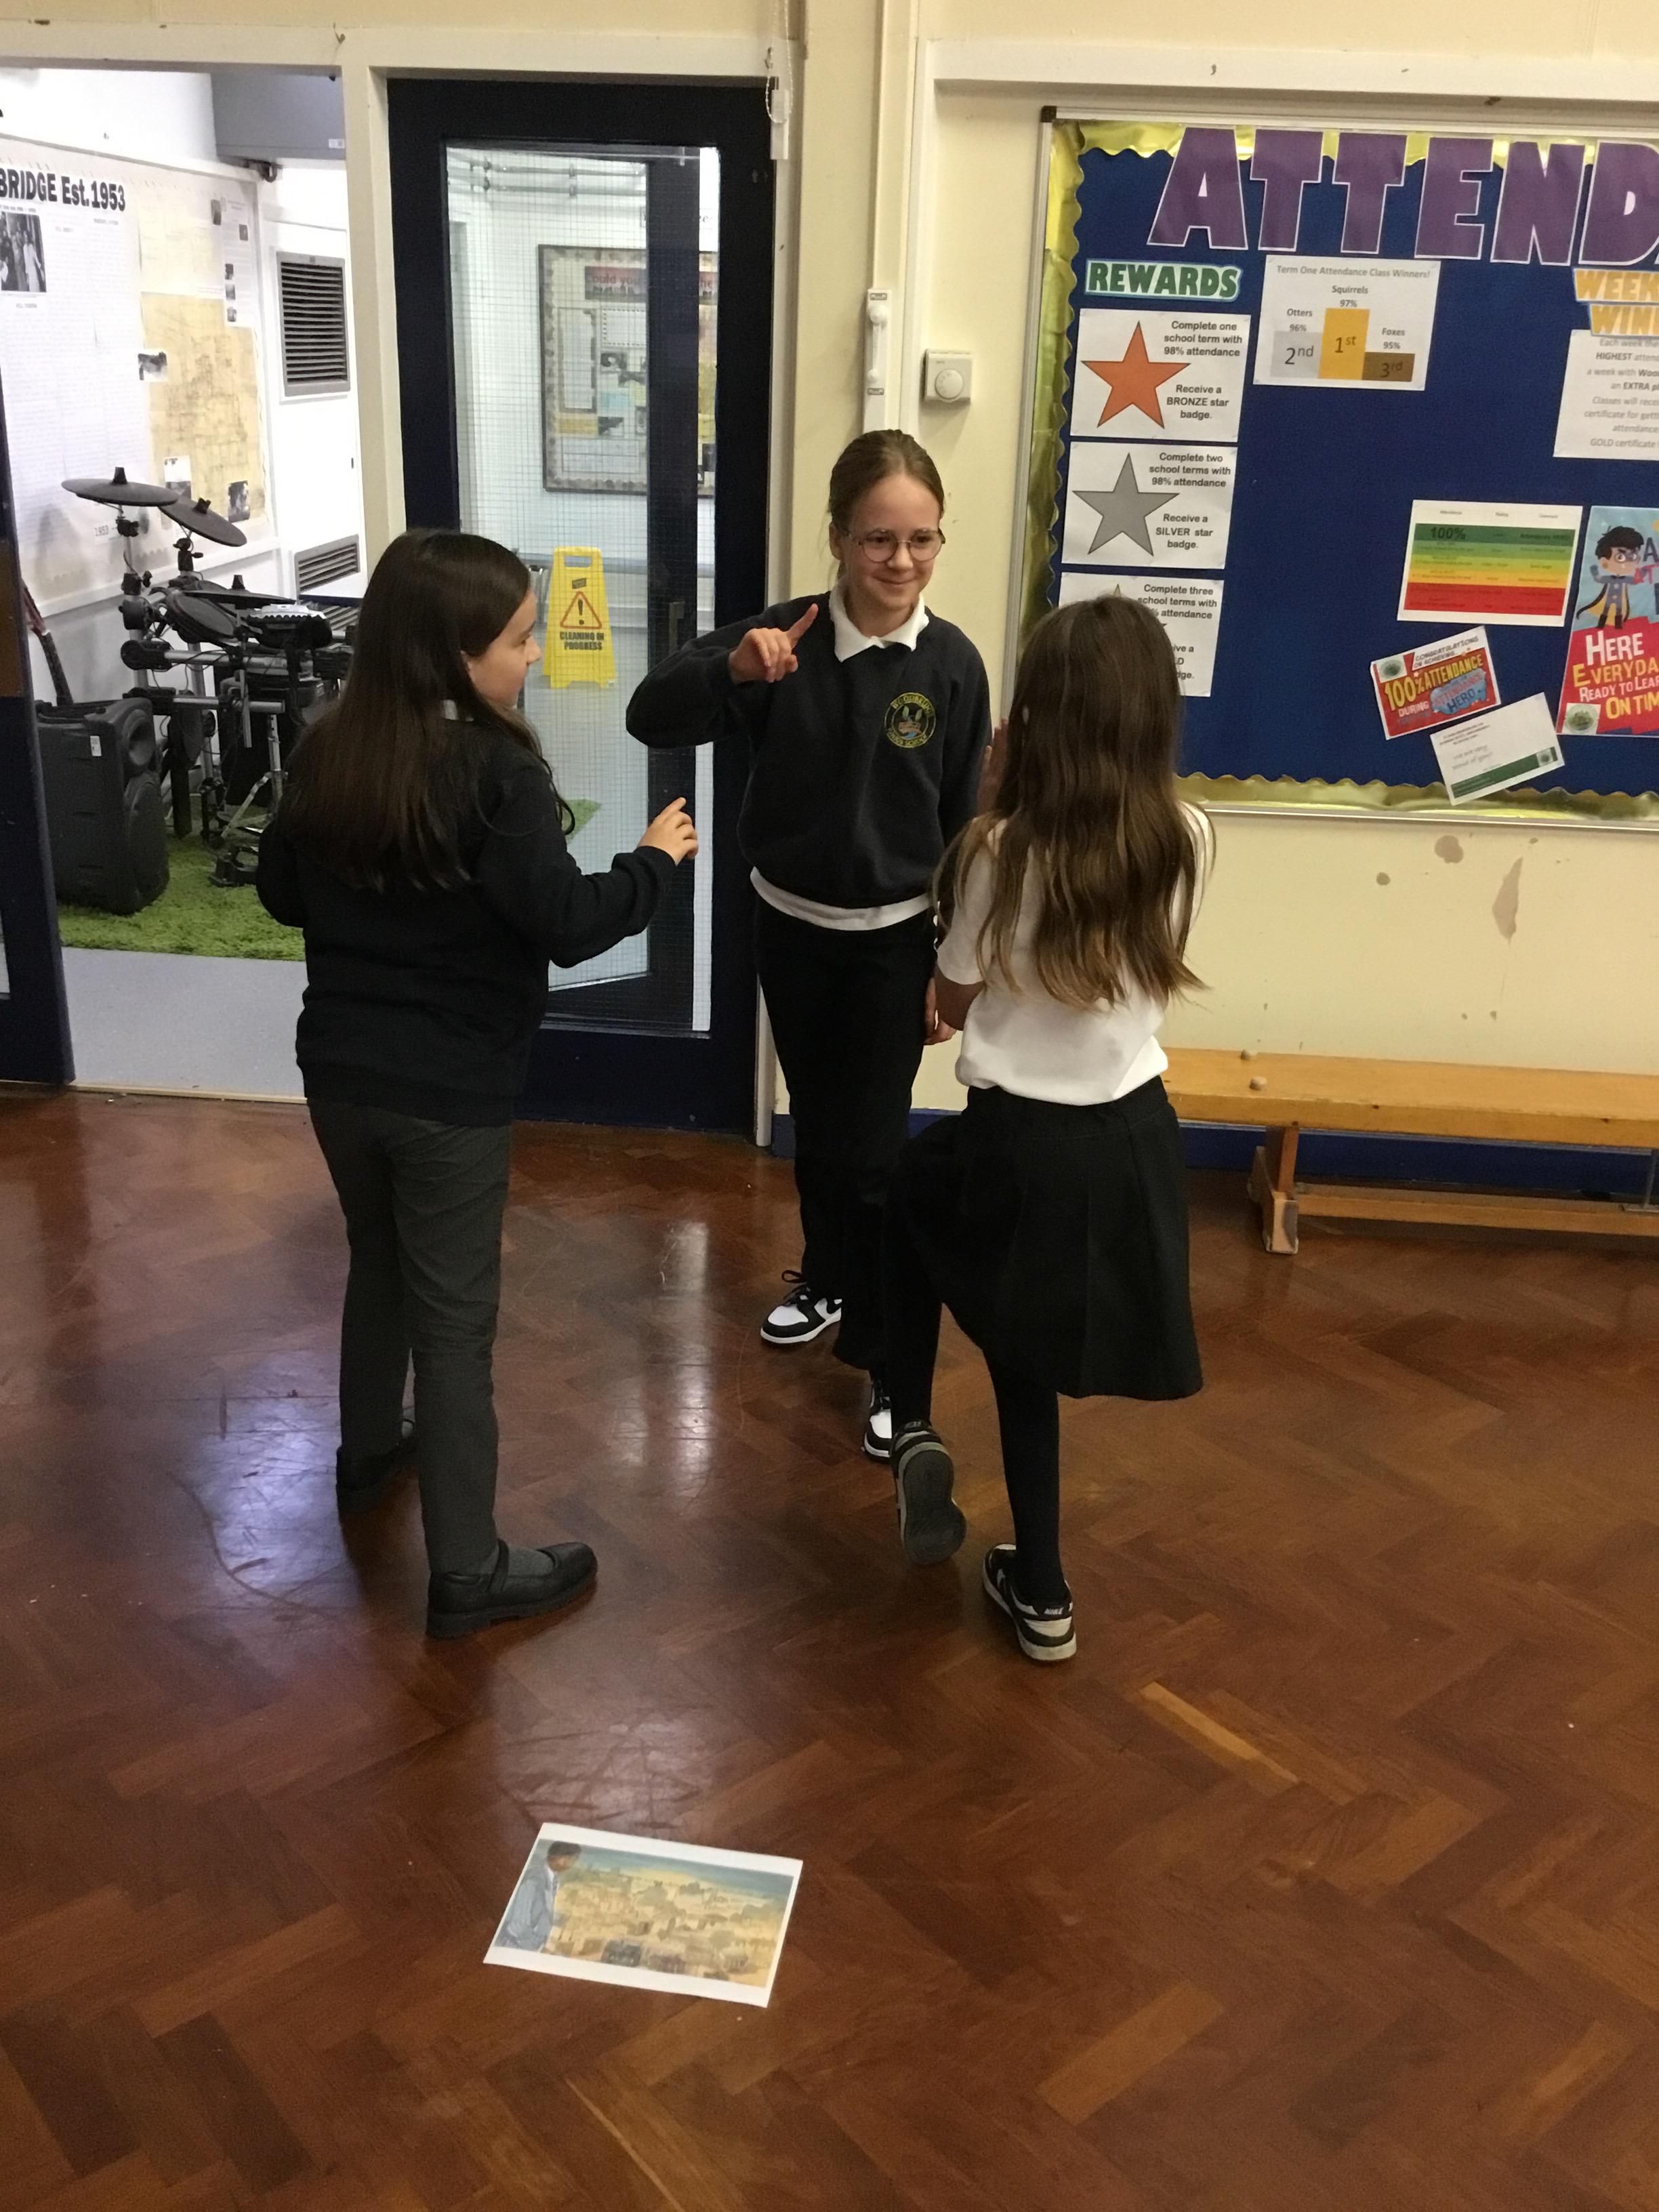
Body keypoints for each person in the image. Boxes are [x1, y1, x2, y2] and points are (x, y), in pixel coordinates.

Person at [258, 529, 697, 1638]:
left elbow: (282, 895)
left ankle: (369, 1452)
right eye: (518, 638)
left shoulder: (326, 747)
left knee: (378, 1259)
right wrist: (653, 863)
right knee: (456, 1325)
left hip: (339, 1073)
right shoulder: (502, 773)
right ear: (454, 654)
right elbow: (566, 922)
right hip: (448, 1093)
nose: (535, 654)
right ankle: (468, 1568)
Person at [626, 431, 991, 1460]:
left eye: (922, 540)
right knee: (822, 1131)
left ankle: (891, 1368)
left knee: (872, 1158)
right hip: (787, 931)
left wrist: (948, 964)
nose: (901, 561)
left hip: (892, 947)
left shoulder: (954, 666)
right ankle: (829, 1278)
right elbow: (649, 714)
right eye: (878, 538)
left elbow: (964, 828)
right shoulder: (780, 639)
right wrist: (729, 669)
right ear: (837, 538)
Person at [879, 594, 1210, 1663]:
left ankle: (909, 1420)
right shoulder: (1190, 837)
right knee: (1025, 1347)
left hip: (1017, 1141)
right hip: (1134, 1139)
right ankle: (1044, 1598)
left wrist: (987, 804)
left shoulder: (997, 848)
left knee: (906, 1206)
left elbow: (954, 996)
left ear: (1037, 721)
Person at [496, 1839, 582, 1953]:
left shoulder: (552, 1878)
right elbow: (518, 1925)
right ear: (559, 1857)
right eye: (571, 1859)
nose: (571, 1864)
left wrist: (558, 1919)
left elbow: (539, 1909)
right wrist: (535, 1946)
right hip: (515, 1947)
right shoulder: (534, 1880)